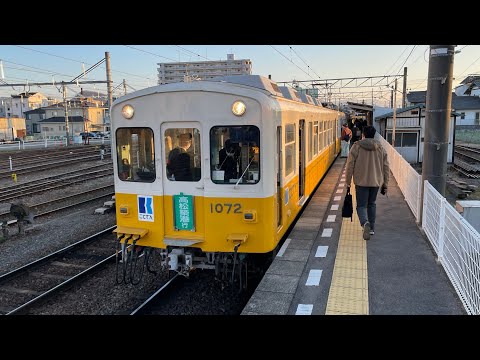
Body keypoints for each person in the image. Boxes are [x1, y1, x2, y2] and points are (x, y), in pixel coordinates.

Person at [345, 126, 389, 240]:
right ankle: (372, 229)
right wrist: (385, 184)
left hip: (361, 182)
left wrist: (348, 182)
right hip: (375, 182)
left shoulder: (356, 147)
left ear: (363, 134)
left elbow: (350, 165)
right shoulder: (380, 148)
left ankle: (365, 223)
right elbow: (386, 167)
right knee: (372, 204)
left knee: (361, 205)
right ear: (374, 135)